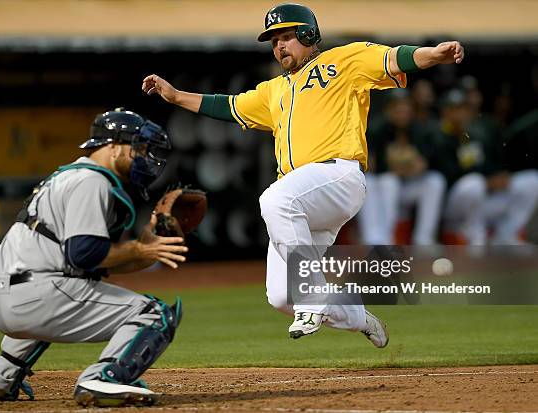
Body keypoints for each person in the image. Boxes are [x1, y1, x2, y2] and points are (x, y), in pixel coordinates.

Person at [142, 3, 464, 342]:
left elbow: (395, 58)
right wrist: (176, 96)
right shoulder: (273, 90)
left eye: (287, 36)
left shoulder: (342, 61)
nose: (280, 45)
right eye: (274, 40)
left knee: (275, 199)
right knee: (281, 297)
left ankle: (313, 298)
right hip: (305, 201)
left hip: (338, 176)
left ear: (309, 34)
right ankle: (356, 315)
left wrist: (434, 54)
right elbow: (229, 105)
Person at [0, 109, 187, 407]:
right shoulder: (92, 182)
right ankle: (104, 378)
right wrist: (140, 249)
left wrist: (145, 249)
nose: (144, 158)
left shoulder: (69, 174)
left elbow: (94, 262)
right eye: (137, 149)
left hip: (2, 296)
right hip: (36, 295)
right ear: (113, 146)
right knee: (156, 314)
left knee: (63, 292)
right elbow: (85, 254)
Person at [432, 90, 538, 245]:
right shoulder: (438, 137)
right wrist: (486, 180)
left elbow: (489, 164)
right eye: (454, 109)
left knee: (532, 180)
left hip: (481, 199)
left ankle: (507, 234)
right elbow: (448, 174)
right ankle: (473, 235)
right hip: (453, 207)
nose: (460, 114)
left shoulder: (475, 135)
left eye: (463, 109)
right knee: (473, 183)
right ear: (445, 112)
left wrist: (499, 176)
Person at [359, 91, 445, 245]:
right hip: (382, 190)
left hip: (408, 187)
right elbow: (373, 166)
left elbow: (425, 164)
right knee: (385, 181)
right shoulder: (378, 129)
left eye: (405, 107)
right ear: (388, 110)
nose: (402, 112)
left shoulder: (419, 130)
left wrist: (406, 167)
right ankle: (380, 240)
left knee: (435, 181)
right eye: (397, 107)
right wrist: (401, 168)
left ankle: (423, 239)